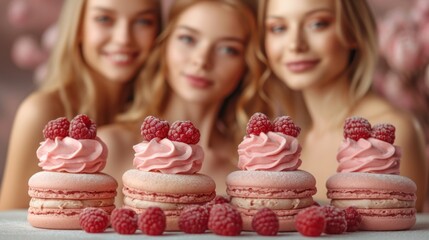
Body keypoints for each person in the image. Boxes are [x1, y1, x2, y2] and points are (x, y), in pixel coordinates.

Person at [99, 0, 282, 206]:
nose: (201, 60)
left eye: (228, 49)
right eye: (187, 39)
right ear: (164, 44)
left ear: (247, 64)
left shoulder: (251, 169)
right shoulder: (107, 148)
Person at [260, 0, 428, 211]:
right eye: (278, 28)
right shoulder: (290, 142)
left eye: (318, 24)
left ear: (353, 32)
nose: (295, 44)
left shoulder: (392, 134)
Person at [0, 0, 161, 210]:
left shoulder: (157, 121)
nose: (123, 38)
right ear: (79, 27)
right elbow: (8, 222)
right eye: (104, 19)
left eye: (143, 21)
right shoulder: (41, 112)